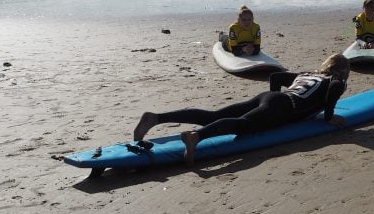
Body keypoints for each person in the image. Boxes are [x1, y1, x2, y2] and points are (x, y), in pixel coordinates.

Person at [133, 54, 351, 164]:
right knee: (242, 126)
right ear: (342, 70)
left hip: (272, 97)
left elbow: (275, 76)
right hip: (282, 106)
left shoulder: (307, 74)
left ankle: (156, 118)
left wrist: (273, 100)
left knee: (215, 115)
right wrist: (328, 117)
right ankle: (195, 137)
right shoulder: (337, 80)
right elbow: (333, 89)